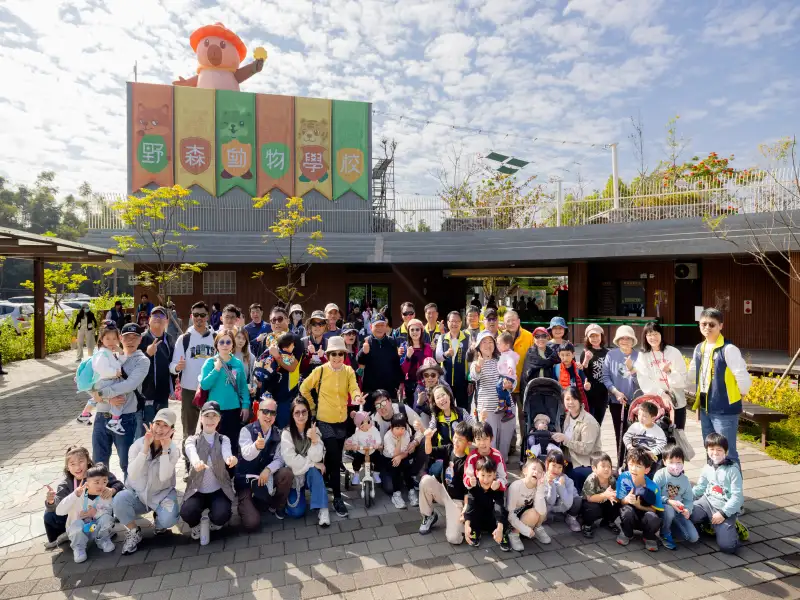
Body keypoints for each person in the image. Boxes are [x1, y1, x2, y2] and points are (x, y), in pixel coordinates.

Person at [300, 336, 364, 518]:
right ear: (328, 355)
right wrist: (312, 406)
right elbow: (304, 388)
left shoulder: (349, 370)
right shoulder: (320, 371)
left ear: (344, 354)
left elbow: (354, 388)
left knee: (332, 455)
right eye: (333, 354)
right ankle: (337, 498)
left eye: (340, 354)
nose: (337, 357)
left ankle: (328, 479)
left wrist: (357, 397)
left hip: (342, 421)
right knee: (336, 459)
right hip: (324, 420)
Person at [687, 308, 751, 464]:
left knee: (727, 453)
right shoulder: (699, 348)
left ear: (720, 326)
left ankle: (732, 488)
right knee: (710, 450)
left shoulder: (728, 349)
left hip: (724, 409)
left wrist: (741, 393)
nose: (707, 327)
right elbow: (691, 375)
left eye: (712, 324)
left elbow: (742, 375)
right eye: (703, 324)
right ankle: (713, 486)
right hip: (705, 408)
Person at [114, 408, 181, 556]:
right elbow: (132, 473)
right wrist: (145, 449)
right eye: (158, 424)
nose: (160, 429)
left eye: (165, 426)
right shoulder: (137, 445)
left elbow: (164, 476)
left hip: (161, 495)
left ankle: (159, 520)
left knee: (168, 520)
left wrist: (164, 450)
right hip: (137, 495)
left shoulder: (173, 450)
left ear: (172, 430)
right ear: (151, 425)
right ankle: (133, 530)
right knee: (119, 500)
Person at [91, 323, 149, 478]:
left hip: (125, 417)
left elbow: (129, 385)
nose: (130, 340)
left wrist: (102, 394)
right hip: (102, 415)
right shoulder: (107, 355)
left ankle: (129, 497)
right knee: (98, 463)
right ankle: (101, 497)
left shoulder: (142, 361)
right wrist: (101, 396)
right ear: (120, 339)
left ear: (140, 340)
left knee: (126, 462)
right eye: (126, 337)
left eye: (134, 337)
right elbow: (92, 382)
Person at [43, 447, 123, 550]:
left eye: (81, 461)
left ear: (88, 461)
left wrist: (112, 490)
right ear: (67, 467)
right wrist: (51, 501)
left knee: (116, 501)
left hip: (99, 514)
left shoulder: (98, 474)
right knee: (49, 514)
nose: (77, 467)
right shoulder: (65, 484)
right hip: (78, 518)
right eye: (72, 464)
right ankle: (68, 537)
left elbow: (118, 484)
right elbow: (59, 503)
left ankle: (104, 535)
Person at [181, 401, 238, 546]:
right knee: (187, 512)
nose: (210, 420)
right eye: (207, 416)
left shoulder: (223, 439)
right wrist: (196, 462)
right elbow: (190, 451)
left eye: (214, 416)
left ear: (219, 420)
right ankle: (196, 526)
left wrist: (230, 459)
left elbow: (227, 453)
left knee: (222, 515)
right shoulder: (192, 440)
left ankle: (213, 523)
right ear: (201, 418)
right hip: (197, 489)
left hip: (217, 489)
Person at [236, 395, 294, 529]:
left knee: (286, 473)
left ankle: (276, 505)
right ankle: (245, 503)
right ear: (258, 412)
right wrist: (256, 446)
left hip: (266, 478)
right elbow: (246, 455)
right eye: (265, 411)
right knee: (252, 523)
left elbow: (280, 459)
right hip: (247, 482)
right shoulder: (246, 430)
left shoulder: (278, 433)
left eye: (272, 412)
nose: (268, 416)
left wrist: (268, 470)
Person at [171, 301, 216, 468]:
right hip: (189, 389)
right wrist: (177, 367)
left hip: (210, 389)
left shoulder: (215, 337)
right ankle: (189, 464)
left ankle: (210, 463)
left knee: (211, 428)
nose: (199, 318)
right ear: (191, 317)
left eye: (202, 315)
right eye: (196, 315)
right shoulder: (184, 339)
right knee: (188, 431)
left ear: (207, 317)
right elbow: (173, 365)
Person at [418, 420, 473, 543]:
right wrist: (427, 438)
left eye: (460, 440)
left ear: (468, 443)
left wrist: (465, 509)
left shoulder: (467, 462)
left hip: (456, 500)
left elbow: (467, 491)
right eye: (455, 437)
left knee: (454, 539)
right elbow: (429, 451)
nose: (455, 441)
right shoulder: (448, 449)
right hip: (443, 490)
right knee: (425, 480)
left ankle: (465, 524)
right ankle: (428, 516)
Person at [198, 329, 250, 456]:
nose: (225, 345)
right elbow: (204, 385)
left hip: (233, 410)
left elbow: (243, 387)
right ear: (216, 345)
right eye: (222, 342)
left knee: (231, 443)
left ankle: (230, 473)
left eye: (228, 342)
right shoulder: (210, 362)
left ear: (232, 344)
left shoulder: (237, 363)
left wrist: (246, 406)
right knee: (213, 443)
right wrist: (216, 369)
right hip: (214, 411)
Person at [691, 432, 744, 554]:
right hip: (707, 502)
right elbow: (700, 488)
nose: (715, 453)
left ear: (725, 451)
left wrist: (723, 513)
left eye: (719, 450)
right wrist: (685, 499)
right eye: (711, 449)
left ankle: (735, 527)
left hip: (724, 508)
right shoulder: (707, 467)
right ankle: (707, 524)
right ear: (706, 450)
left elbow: (738, 497)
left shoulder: (732, 470)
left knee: (728, 547)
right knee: (689, 514)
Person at [281, 398, 330, 526]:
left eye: (304, 412)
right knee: (297, 512)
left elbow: (318, 457)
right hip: (295, 478)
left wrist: (314, 440)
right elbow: (291, 461)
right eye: (297, 413)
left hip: (308, 475)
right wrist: (313, 463)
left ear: (309, 413)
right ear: (292, 415)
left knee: (314, 471)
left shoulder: (315, 430)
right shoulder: (286, 434)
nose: (301, 416)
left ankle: (323, 509)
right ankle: (290, 499)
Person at [367, 390, 427, 493]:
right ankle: (398, 475)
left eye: (384, 402)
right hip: (388, 457)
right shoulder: (373, 420)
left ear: (390, 401)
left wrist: (415, 442)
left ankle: (413, 474)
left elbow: (421, 429)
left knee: (425, 440)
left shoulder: (402, 409)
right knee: (390, 488)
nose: (382, 407)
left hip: (407, 449)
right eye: (377, 405)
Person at [254, 306, 303, 428]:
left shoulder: (295, 340)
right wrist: (257, 379)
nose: (276, 322)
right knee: (265, 431)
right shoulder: (266, 339)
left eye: (280, 319)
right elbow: (259, 361)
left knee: (284, 432)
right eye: (273, 320)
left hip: (286, 394)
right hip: (266, 393)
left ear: (287, 320)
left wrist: (277, 357)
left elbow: (292, 367)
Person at [56, 462, 115, 563]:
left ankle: (103, 540)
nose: (101, 485)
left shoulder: (106, 493)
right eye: (97, 482)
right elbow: (59, 511)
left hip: (95, 529)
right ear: (87, 483)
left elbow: (109, 512)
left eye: (104, 481)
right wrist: (74, 495)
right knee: (76, 524)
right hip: (79, 531)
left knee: (107, 519)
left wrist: (95, 513)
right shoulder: (78, 495)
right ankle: (79, 548)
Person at [470, 331, 515, 464]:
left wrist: (510, 384)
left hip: (507, 407)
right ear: (478, 345)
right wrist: (479, 366)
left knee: (505, 442)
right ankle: (490, 470)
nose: (488, 345)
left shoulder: (502, 360)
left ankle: (503, 470)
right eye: (484, 342)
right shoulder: (476, 363)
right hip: (488, 409)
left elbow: (513, 378)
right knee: (490, 442)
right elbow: (474, 376)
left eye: (490, 342)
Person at [635, 321, 688, 430]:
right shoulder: (643, 355)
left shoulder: (673, 352)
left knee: (677, 436)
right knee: (655, 437)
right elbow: (643, 380)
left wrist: (669, 372)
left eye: (655, 334)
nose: (652, 337)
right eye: (649, 334)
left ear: (661, 335)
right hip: (655, 404)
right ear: (645, 337)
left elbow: (683, 380)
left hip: (676, 402)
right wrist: (661, 394)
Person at [602, 325, 640, 462]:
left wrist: (633, 371)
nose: (625, 341)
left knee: (635, 435)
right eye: (622, 338)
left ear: (633, 340)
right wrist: (616, 392)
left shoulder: (639, 356)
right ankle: (620, 463)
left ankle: (634, 462)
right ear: (617, 340)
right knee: (620, 433)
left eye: (628, 338)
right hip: (616, 401)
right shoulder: (611, 355)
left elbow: (641, 380)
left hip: (635, 403)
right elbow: (605, 377)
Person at [76, 324, 124, 432]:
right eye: (108, 338)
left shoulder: (107, 352)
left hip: (106, 381)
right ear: (102, 339)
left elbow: (120, 363)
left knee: (97, 398)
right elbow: (99, 367)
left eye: (114, 338)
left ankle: (84, 415)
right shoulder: (102, 353)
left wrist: (120, 351)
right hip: (105, 381)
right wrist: (114, 373)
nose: (111, 341)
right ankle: (114, 421)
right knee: (120, 398)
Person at [552, 386, 601, 491]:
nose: (571, 402)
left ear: (580, 400)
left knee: (567, 479)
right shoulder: (567, 416)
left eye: (574, 399)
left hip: (584, 463)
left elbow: (586, 449)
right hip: (568, 461)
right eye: (567, 399)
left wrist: (565, 439)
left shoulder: (588, 422)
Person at [616, 447, 663, 551]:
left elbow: (655, 510)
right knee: (626, 511)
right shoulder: (623, 477)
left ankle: (648, 536)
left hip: (645, 516)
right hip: (630, 514)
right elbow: (620, 501)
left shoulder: (653, 487)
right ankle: (627, 533)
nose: (633, 469)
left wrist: (639, 506)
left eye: (638, 466)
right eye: (631, 464)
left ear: (647, 470)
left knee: (653, 518)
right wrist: (626, 499)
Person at [137, 306, 175, 437]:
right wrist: (147, 354)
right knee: (147, 433)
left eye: (162, 316)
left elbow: (172, 364)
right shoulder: (141, 339)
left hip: (163, 395)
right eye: (155, 316)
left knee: (163, 431)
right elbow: (133, 363)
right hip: (146, 395)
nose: (158, 319)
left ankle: (162, 455)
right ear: (149, 320)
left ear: (167, 321)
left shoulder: (169, 339)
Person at [653, 445, 698, 550]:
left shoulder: (685, 480)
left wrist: (688, 510)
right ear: (664, 462)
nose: (675, 466)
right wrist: (668, 501)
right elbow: (654, 495)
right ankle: (664, 533)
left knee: (693, 538)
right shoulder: (660, 475)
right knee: (669, 510)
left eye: (678, 462)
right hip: (663, 509)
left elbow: (688, 499)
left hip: (678, 512)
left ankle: (671, 527)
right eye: (671, 462)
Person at [357, 314, 403, 408]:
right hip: (371, 389)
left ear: (386, 326)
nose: (379, 328)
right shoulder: (366, 341)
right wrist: (363, 352)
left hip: (389, 389)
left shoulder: (391, 342)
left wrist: (400, 382)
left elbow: (396, 364)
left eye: (382, 325)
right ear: (371, 327)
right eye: (376, 326)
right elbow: (359, 360)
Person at [464, 456, 510, 550]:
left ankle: (502, 533)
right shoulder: (474, 486)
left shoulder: (497, 486)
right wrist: (467, 525)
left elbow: (499, 506)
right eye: (483, 475)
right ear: (477, 473)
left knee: (502, 513)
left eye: (489, 475)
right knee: (473, 511)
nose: (486, 480)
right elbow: (470, 505)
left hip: (492, 518)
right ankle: (475, 530)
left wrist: (500, 527)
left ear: (494, 475)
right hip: (478, 517)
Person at [502, 310, 533, 448]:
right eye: (508, 320)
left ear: (519, 321)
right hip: (506, 384)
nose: (511, 323)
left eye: (514, 320)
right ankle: (510, 444)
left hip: (523, 383)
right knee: (508, 416)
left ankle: (525, 443)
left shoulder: (528, 336)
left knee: (523, 415)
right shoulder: (501, 336)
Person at [506, 458, 548, 550]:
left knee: (542, 508)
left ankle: (537, 528)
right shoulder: (516, 487)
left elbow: (541, 511)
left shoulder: (538, 486)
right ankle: (514, 533)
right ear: (525, 470)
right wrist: (525, 530)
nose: (536, 472)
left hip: (526, 515)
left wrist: (540, 489)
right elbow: (510, 514)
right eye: (533, 469)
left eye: (540, 471)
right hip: (511, 519)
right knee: (533, 513)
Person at [383, 412, 420, 509]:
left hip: (402, 456)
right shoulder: (388, 437)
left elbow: (406, 451)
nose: (400, 431)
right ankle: (396, 494)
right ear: (392, 428)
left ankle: (411, 491)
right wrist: (399, 440)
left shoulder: (406, 434)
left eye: (402, 428)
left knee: (407, 467)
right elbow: (394, 455)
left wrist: (400, 457)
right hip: (389, 458)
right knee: (395, 467)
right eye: (397, 428)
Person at [581, 452, 620, 538]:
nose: (607, 469)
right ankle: (587, 524)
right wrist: (605, 495)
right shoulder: (591, 479)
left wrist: (615, 496)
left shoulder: (612, 480)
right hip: (590, 503)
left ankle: (608, 521)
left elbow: (615, 494)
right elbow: (590, 498)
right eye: (603, 466)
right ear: (594, 468)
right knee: (592, 508)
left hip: (604, 502)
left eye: (609, 466)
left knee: (617, 503)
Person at [435, 311, 470, 407]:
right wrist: (446, 354)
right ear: (448, 322)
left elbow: (471, 361)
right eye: (452, 321)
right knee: (447, 409)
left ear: (461, 323)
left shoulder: (467, 338)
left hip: (462, 382)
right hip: (446, 381)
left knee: (463, 410)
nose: (454, 324)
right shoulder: (442, 338)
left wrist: (471, 382)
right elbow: (438, 359)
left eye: (457, 321)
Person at [542, 449, 582, 532]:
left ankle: (571, 517)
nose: (556, 470)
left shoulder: (567, 481)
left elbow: (568, 504)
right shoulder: (542, 479)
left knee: (578, 500)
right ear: (547, 464)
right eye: (553, 465)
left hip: (565, 507)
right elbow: (551, 501)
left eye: (559, 467)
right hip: (550, 508)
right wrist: (551, 485)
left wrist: (561, 486)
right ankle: (553, 517)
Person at [579, 324, 610, 426]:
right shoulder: (585, 352)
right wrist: (586, 359)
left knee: (598, 422)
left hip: (603, 392)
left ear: (601, 336)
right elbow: (583, 372)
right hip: (590, 392)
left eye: (597, 335)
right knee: (588, 422)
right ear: (587, 338)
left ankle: (596, 441)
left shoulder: (607, 353)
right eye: (592, 336)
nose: (595, 338)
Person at [426, 384, 475, 449]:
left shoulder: (462, 412)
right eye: (438, 398)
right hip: (445, 453)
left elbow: (474, 427)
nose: (442, 399)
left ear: (449, 395)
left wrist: (482, 420)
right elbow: (431, 428)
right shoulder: (435, 417)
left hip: (462, 451)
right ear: (435, 402)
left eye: (443, 395)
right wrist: (427, 432)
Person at [623, 400, 667, 471]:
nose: (640, 417)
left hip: (649, 455)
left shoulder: (658, 430)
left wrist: (653, 452)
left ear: (653, 418)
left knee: (654, 464)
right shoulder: (635, 426)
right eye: (639, 414)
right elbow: (626, 436)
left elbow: (662, 443)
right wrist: (629, 446)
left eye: (644, 416)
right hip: (635, 452)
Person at [464, 421, 508, 490]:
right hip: (477, 490)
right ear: (474, 440)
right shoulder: (472, 457)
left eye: (485, 439)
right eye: (478, 439)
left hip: (494, 489)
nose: (482, 443)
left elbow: (504, 477)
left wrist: (499, 483)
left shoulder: (497, 455)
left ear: (492, 438)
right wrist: (470, 481)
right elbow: (466, 477)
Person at [346, 411, 382, 486]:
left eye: (369, 421)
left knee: (379, 459)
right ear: (360, 426)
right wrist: (355, 445)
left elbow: (377, 436)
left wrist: (377, 444)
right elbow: (354, 440)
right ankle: (356, 474)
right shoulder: (358, 433)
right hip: (361, 452)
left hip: (372, 451)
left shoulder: (373, 429)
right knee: (356, 461)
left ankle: (376, 474)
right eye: (365, 423)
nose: (368, 424)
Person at [553, 342, 590, 410]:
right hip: (564, 403)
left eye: (568, 355)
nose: (565, 358)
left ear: (573, 355)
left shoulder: (578, 368)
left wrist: (587, 386)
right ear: (559, 355)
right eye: (562, 355)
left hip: (577, 401)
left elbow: (585, 380)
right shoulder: (556, 368)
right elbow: (554, 386)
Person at [520, 327, 556, 392]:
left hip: (549, 389)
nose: (540, 339)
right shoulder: (530, 353)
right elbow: (525, 376)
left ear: (548, 337)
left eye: (543, 336)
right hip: (533, 390)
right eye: (537, 336)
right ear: (534, 339)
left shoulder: (552, 353)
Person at [495, 331, 519, 422]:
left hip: (508, 376)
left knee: (499, 386)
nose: (497, 345)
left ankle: (501, 404)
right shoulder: (504, 354)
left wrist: (510, 369)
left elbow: (510, 362)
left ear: (507, 345)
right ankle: (508, 411)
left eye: (499, 344)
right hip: (505, 376)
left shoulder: (509, 354)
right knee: (505, 393)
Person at [234, 328, 257, 410]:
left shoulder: (250, 357)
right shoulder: (227, 354)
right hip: (229, 392)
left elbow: (253, 376)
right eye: (238, 337)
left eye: (244, 339)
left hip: (244, 395)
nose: (241, 341)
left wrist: (253, 387)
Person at [300, 310, 328, 378]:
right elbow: (300, 369)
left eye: (321, 324)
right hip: (305, 384)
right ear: (310, 326)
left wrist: (322, 358)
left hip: (323, 385)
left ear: (325, 326)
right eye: (314, 323)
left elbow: (332, 369)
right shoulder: (302, 342)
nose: (317, 326)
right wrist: (309, 356)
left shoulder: (329, 344)